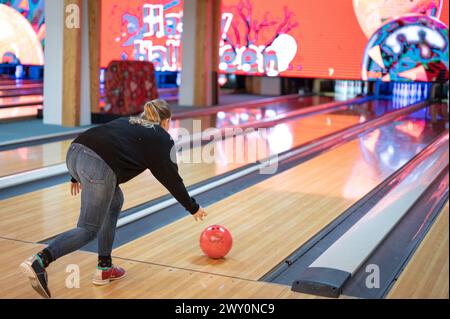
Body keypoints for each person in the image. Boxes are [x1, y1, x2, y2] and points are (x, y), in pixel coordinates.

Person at [20, 99, 207, 298]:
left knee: (115, 200)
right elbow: (171, 179)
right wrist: (192, 207)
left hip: (74, 153)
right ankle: (40, 261)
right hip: (97, 166)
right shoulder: (162, 138)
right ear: (166, 121)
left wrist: (76, 174)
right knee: (88, 229)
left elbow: (99, 138)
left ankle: (104, 267)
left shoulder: (129, 121)